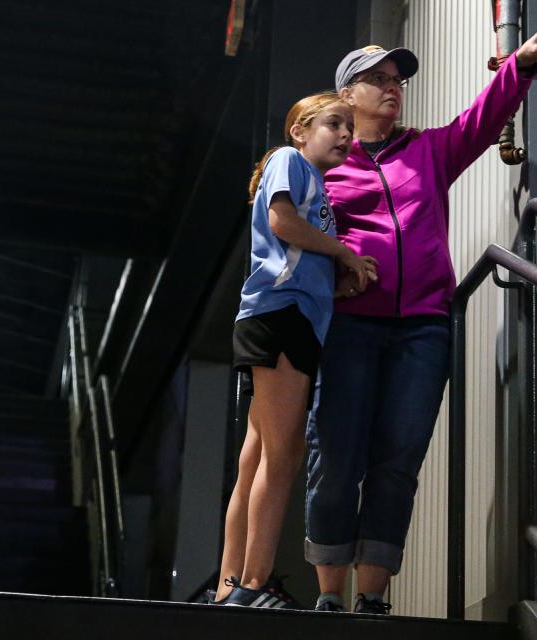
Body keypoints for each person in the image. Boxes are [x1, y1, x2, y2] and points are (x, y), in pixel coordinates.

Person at [305, 10, 537, 614]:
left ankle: (372, 597)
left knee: (398, 458)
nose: (394, 86)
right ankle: (329, 597)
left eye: (399, 78)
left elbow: (481, 123)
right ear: (348, 95)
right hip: (348, 327)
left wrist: (520, 65)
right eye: (379, 78)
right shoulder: (324, 166)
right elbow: (292, 230)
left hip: (422, 328)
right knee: (338, 454)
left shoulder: (427, 150)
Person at [212, 91, 377, 608]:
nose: (347, 135)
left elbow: (296, 255)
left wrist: (337, 283)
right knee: (284, 456)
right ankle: (252, 585)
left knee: (257, 456)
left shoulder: (319, 192)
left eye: (350, 127)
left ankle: (229, 586)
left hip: (283, 316)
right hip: (281, 319)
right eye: (335, 124)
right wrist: (345, 252)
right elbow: (283, 225)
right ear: (299, 130)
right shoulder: (290, 162)